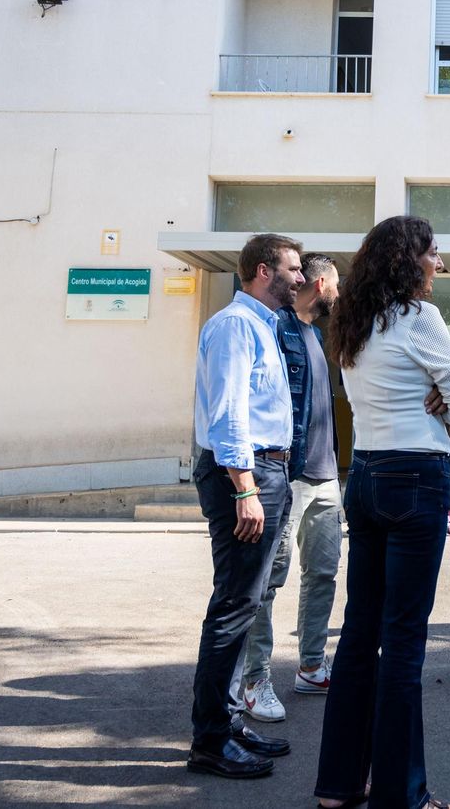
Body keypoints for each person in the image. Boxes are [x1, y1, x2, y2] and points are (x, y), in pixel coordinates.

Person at [314, 217, 450, 809]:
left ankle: (337, 785)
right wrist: (442, 402)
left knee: (360, 632)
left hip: (367, 474)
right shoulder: (420, 318)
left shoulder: (353, 323)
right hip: (417, 477)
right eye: (434, 254)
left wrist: (434, 395)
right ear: (410, 261)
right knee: (404, 641)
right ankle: (401, 796)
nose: (440, 263)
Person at [187, 233, 304, 780]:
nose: (300, 278)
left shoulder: (263, 325)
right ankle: (210, 741)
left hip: (266, 468)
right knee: (235, 603)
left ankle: (228, 724)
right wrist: (245, 487)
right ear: (264, 270)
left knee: (246, 600)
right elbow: (229, 411)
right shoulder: (235, 325)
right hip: (248, 470)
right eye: (293, 269)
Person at [239, 253, 342, 722]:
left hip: (326, 477)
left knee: (322, 574)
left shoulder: (317, 336)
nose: (338, 296)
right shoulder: (275, 329)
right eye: (336, 287)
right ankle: (254, 679)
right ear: (322, 285)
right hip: (289, 476)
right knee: (268, 581)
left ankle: (311, 666)